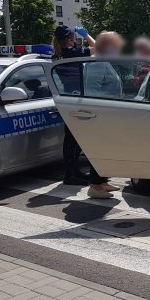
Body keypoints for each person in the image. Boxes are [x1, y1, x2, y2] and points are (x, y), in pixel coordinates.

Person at [52, 25, 96, 186]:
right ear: (69, 38)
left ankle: (73, 171)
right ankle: (70, 175)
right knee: (73, 138)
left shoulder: (59, 54)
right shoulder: (70, 53)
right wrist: (86, 34)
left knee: (73, 138)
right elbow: (99, 48)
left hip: (69, 98)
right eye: (73, 36)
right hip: (75, 99)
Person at [84, 31, 125, 199]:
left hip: (108, 113)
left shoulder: (102, 61)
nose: (118, 50)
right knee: (100, 150)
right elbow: (92, 91)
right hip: (101, 115)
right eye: (115, 47)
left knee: (106, 149)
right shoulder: (97, 63)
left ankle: (102, 182)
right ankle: (95, 185)